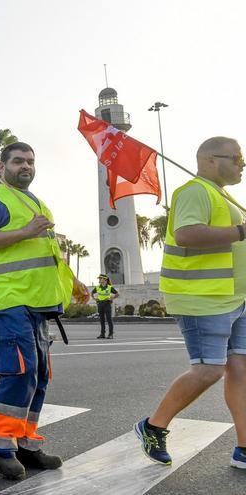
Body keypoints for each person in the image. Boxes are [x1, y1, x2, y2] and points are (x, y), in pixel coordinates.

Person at [0, 142, 88, 480]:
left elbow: (49, 252)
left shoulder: (37, 202)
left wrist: (74, 281)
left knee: (39, 375)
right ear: (2, 164)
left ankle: (25, 443)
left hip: (40, 303)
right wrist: (25, 231)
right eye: (19, 161)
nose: (26, 166)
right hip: (10, 300)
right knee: (20, 372)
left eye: (30, 161)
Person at [136, 137, 246, 470]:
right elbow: (186, 233)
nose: (243, 163)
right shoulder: (194, 191)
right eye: (237, 157)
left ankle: (244, 447)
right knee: (208, 370)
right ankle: (153, 426)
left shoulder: (223, 195)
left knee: (240, 369)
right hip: (203, 299)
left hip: (235, 297)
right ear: (211, 160)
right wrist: (242, 231)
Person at [92, 274, 119, 339]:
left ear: (105, 280)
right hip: (100, 304)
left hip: (107, 304)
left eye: (101, 278)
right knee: (102, 320)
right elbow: (92, 293)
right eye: (99, 278)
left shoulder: (109, 287)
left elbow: (117, 294)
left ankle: (110, 334)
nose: (99, 280)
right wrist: (95, 299)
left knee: (109, 319)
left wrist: (111, 298)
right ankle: (102, 334)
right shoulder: (97, 287)